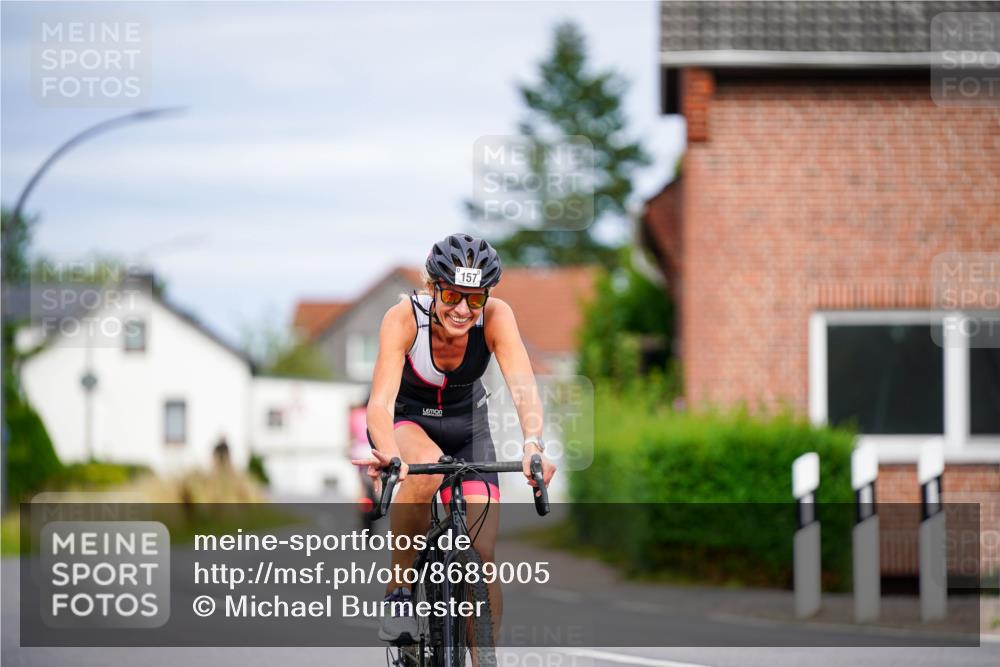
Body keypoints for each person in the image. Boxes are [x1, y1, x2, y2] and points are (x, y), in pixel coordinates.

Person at [352, 233, 556, 644]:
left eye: (475, 299)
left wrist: (533, 443)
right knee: (426, 473)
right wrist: (389, 454)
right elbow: (380, 403)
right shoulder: (403, 318)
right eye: (451, 296)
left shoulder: (497, 316)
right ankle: (400, 592)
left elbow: (523, 388)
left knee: (482, 556)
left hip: (468, 429)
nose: (463, 310)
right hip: (410, 423)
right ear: (432, 288)